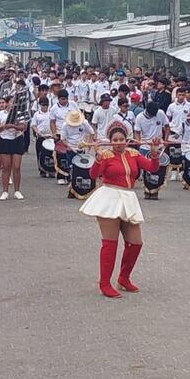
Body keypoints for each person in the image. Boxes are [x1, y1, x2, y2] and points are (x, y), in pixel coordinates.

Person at [79, 120, 160, 298]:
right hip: (109, 198)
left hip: (128, 198)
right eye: (114, 140)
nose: (118, 143)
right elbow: (94, 175)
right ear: (110, 141)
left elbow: (152, 168)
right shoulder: (106, 155)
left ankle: (123, 278)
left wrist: (154, 153)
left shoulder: (133, 154)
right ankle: (104, 283)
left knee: (136, 242)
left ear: (127, 139)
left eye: (121, 139)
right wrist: (97, 158)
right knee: (110, 243)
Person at [0, 97, 26, 201]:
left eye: (14, 102)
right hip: (4, 140)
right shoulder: (0, 114)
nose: (12, 104)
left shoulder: (20, 113)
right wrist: (4, 126)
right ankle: (5, 191)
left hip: (17, 139)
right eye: (11, 102)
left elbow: (23, 127)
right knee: (6, 167)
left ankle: (17, 191)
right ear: (7, 103)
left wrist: (14, 126)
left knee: (16, 167)